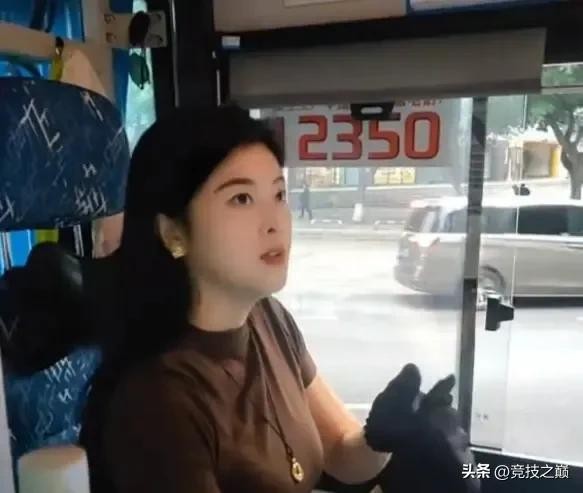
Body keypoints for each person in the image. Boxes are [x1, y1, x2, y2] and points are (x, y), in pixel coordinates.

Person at [75, 105, 475, 493]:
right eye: (242, 199)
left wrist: (385, 438)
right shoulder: (154, 403)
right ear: (173, 233)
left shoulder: (268, 317)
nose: (275, 222)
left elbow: (340, 453)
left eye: (279, 194)